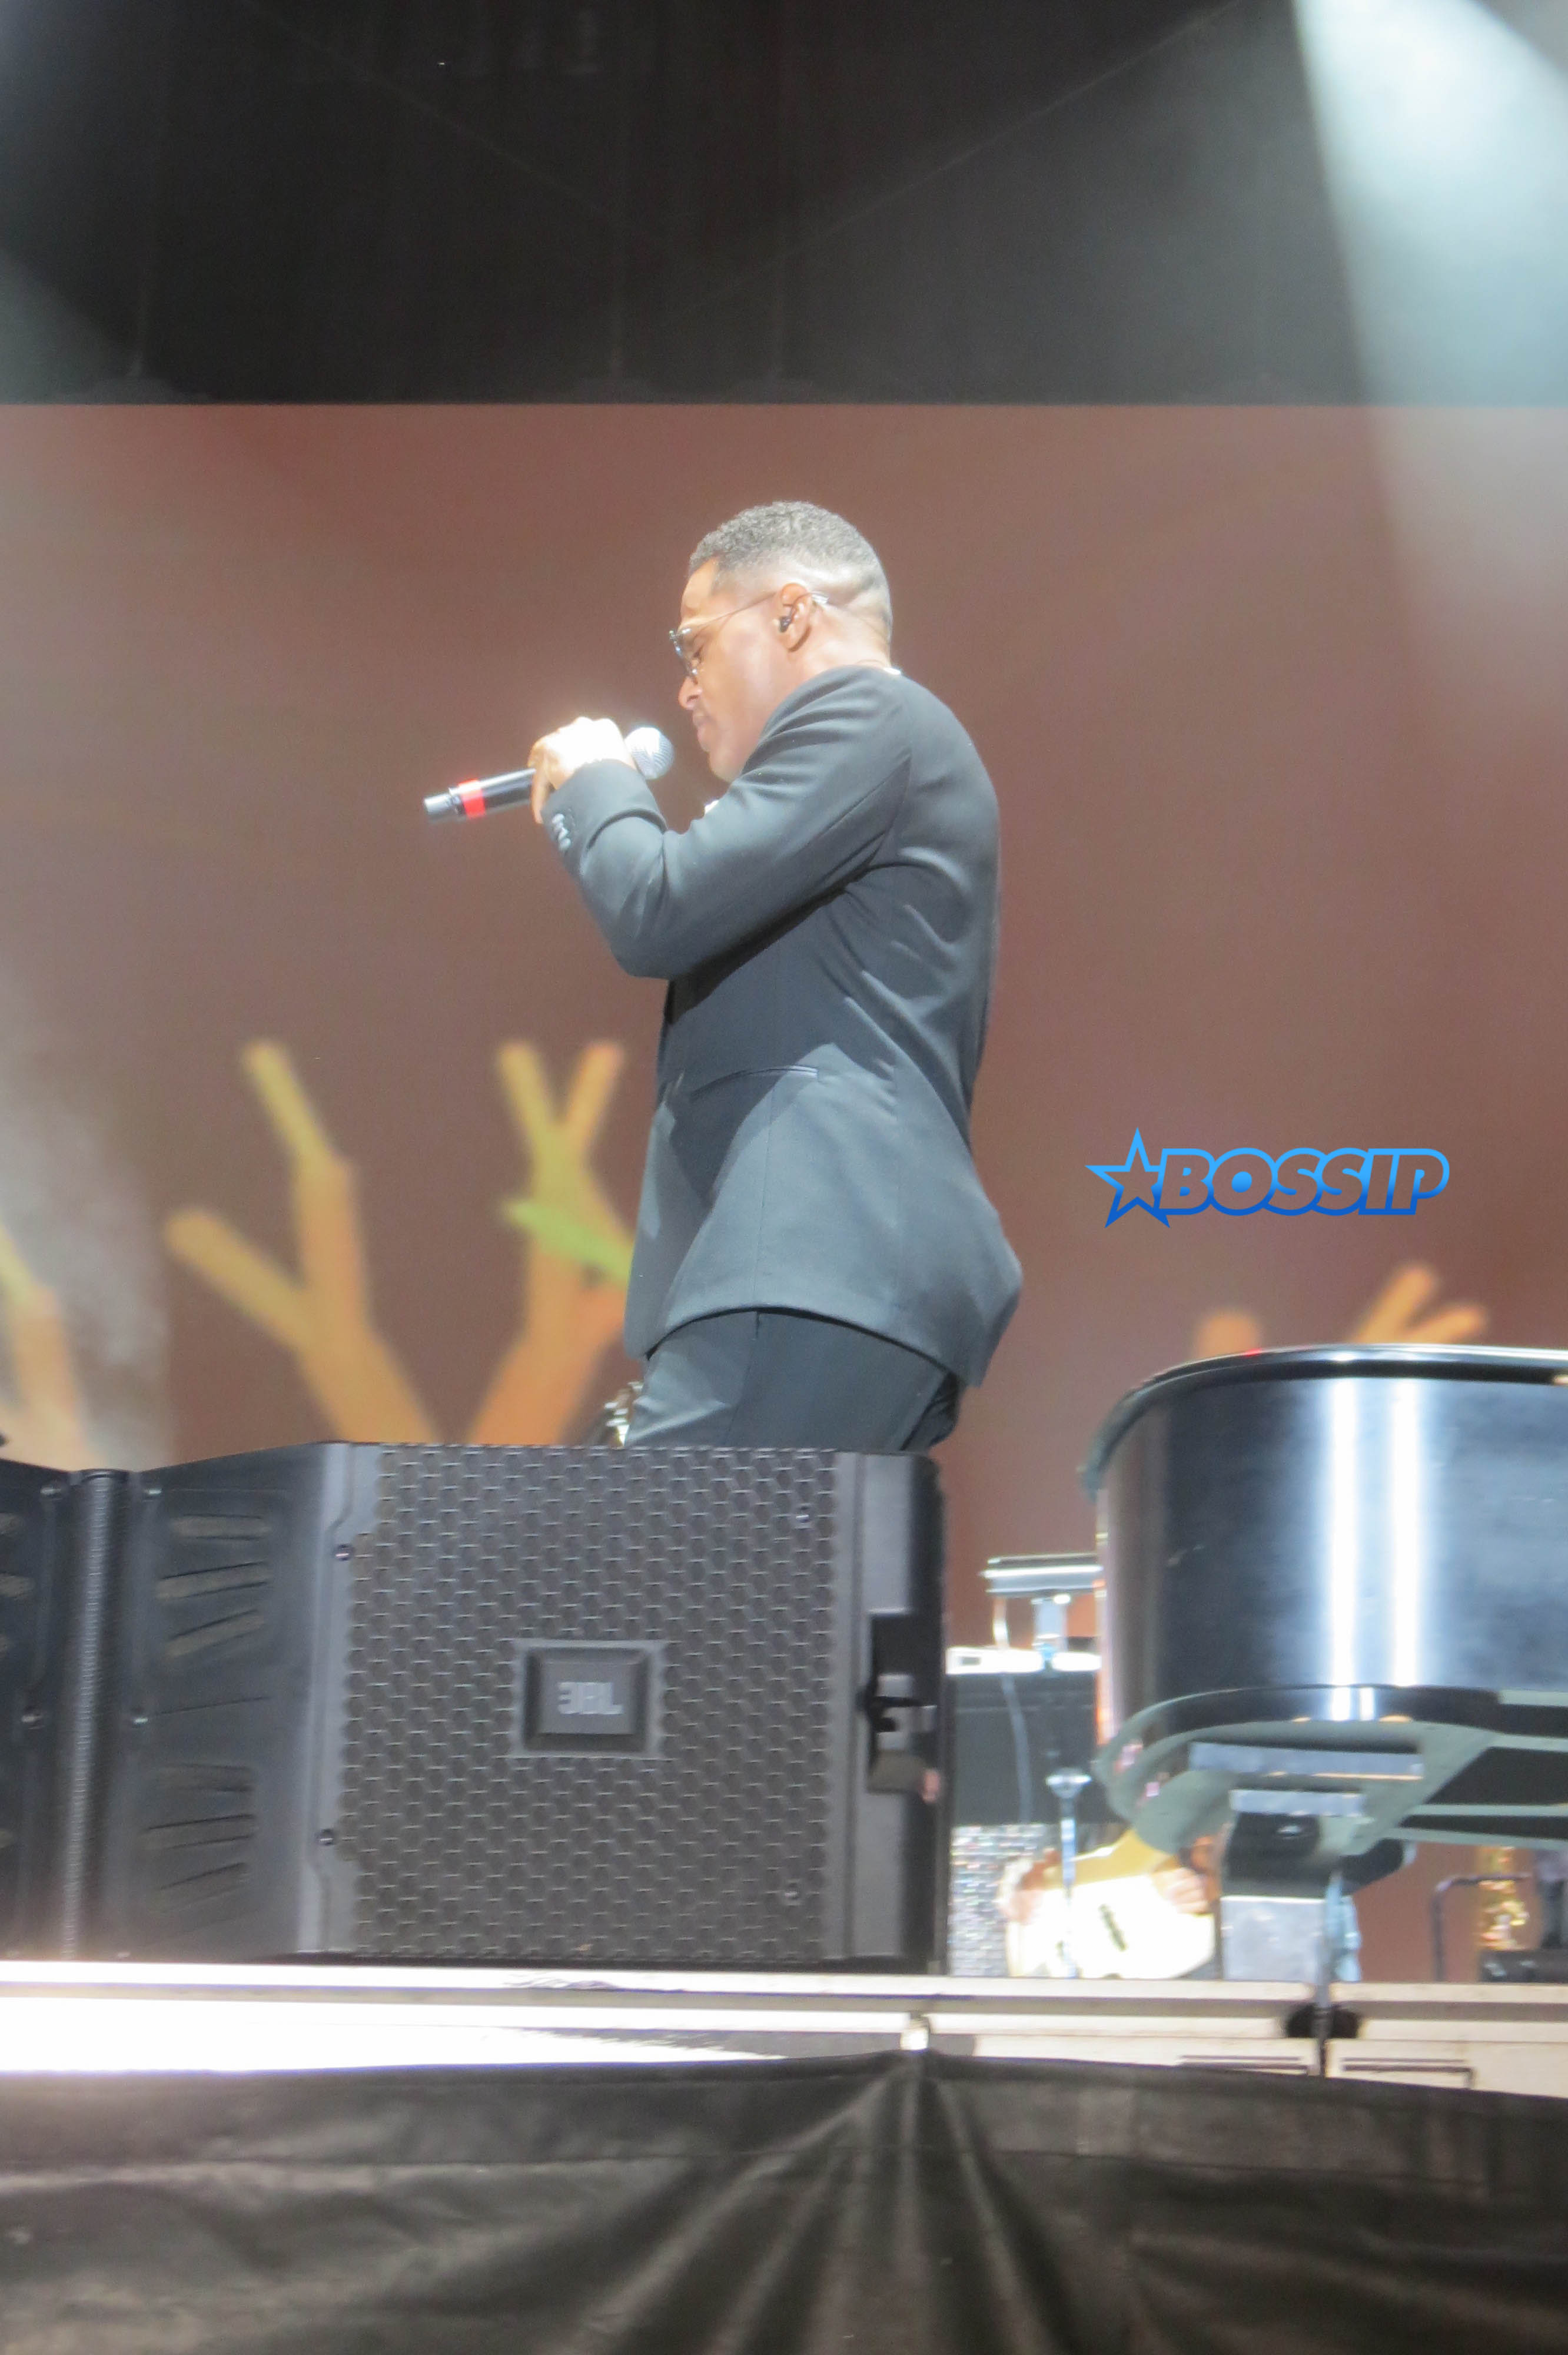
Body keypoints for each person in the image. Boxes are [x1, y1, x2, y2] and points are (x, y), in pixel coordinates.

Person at [526, 500, 1020, 1448]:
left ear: (791, 615)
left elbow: (656, 907)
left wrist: (596, 783)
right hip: (842, 1277)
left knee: (642, 1546)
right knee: (744, 1558)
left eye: (696, 646)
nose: (685, 689)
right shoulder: (871, 761)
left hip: (814, 1260)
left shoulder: (870, 715)